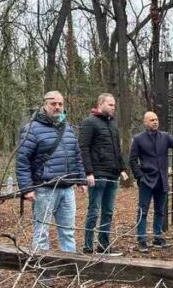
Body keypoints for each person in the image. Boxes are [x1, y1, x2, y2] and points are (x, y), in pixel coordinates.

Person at [16, 91, 87, 253]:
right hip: (44, 189)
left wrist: (81, 180)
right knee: (41, 233)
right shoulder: (31, 129)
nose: (57, 107)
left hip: (67, 189)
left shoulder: (67, 128)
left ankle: (69, 271)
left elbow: (76, 155)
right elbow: (22, 161)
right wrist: (27, 189)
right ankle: (43, 276)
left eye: (60, 104)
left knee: (68, 232)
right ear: (44, 105)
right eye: (53, 104)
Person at [129, 111, 173, 253]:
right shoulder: (138, 139)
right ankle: (142, 239)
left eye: (156, 119)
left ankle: (157, 237)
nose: (155, 122)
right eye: (151, 120)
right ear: (145, 122)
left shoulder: (164, 136)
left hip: (162, 180)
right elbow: (132, 160)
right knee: (143, 211)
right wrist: (140, 177)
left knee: (160, 211)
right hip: (146, 180)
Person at [79, 93, 128, 254]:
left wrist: (122, 169)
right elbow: (84, 148)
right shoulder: (89, 122)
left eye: (114, 105)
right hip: (97, 174)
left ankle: (103, 245)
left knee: (108, 212)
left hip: (112, 175)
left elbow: (116, 149)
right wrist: (89, 172)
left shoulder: (113, 124)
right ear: (100, 104)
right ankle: (87, 246)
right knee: (94, 211)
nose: (113, 108)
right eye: (110, 104)